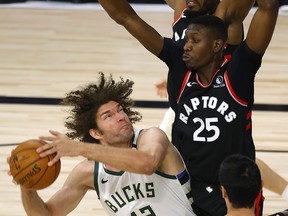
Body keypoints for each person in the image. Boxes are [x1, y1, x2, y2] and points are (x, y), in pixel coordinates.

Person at [98, 0, 279, 215]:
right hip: (188, 187)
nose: (186, 45)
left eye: (194, 41)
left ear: (217, 45)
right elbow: (126, 17)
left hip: (235, 187)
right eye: (186, 40)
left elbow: (268, 7)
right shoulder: (180, 67)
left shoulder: (237, 74)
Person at [8, 72, 195, 216]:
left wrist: (79, 148)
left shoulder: (151, 137)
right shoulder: (88, 172)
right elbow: (47, 214)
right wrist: (27, 184)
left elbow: (146, 164)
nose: (121, 117)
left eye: (120, 110)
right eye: (109, 116)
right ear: (96, 133)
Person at [155, 0, 288, 201]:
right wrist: (175, 75)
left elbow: (267, 7)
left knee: (235, 161)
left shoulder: (225, 12)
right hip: (188, 94)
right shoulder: (182, 9)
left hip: (225, 88)